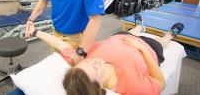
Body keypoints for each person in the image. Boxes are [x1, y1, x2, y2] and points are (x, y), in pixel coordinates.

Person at [27, 14, 184, 95]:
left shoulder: (81, 69)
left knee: (132, 31)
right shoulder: (132, 86)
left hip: (120, 36)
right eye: (94, 68)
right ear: (100, 88)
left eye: (87, 62)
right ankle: (170, 35)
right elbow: (160, 83)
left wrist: (34, 31)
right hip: (148, 48)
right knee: (161, 43)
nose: (94, 61)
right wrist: (142, 50)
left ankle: (139, 27)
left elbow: (60, 45)